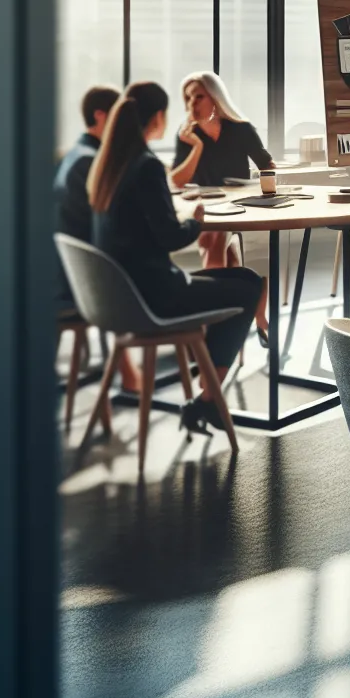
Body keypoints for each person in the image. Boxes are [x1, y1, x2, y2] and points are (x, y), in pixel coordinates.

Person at [87, 81, 264, 436]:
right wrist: (194, 223)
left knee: (242, 280)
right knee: (249, 286)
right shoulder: (146, 167)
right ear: (157, 118)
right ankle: (208, 399)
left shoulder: (110, 165)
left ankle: (208, 398)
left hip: (119, 295)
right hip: (154, 297)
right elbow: (169, 237)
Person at [173, 72, 275, 343]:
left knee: (211, 240)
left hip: (238, 203)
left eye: (198, 96)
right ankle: (254, 306)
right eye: (187, 98)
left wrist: (261, 188)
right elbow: (177, 179)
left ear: (215, 99)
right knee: (228, 258)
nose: (191, 103)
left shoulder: (240, 128)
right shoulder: (187, 134)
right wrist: (195, 147)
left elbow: (266, 163)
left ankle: (214, 324)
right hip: (206, 203)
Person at [55, 85, 120, 306]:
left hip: (71, 271)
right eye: (118, 116)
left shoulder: (76, 153)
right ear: (100, 116)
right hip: (83, 282)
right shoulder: (89, 162)